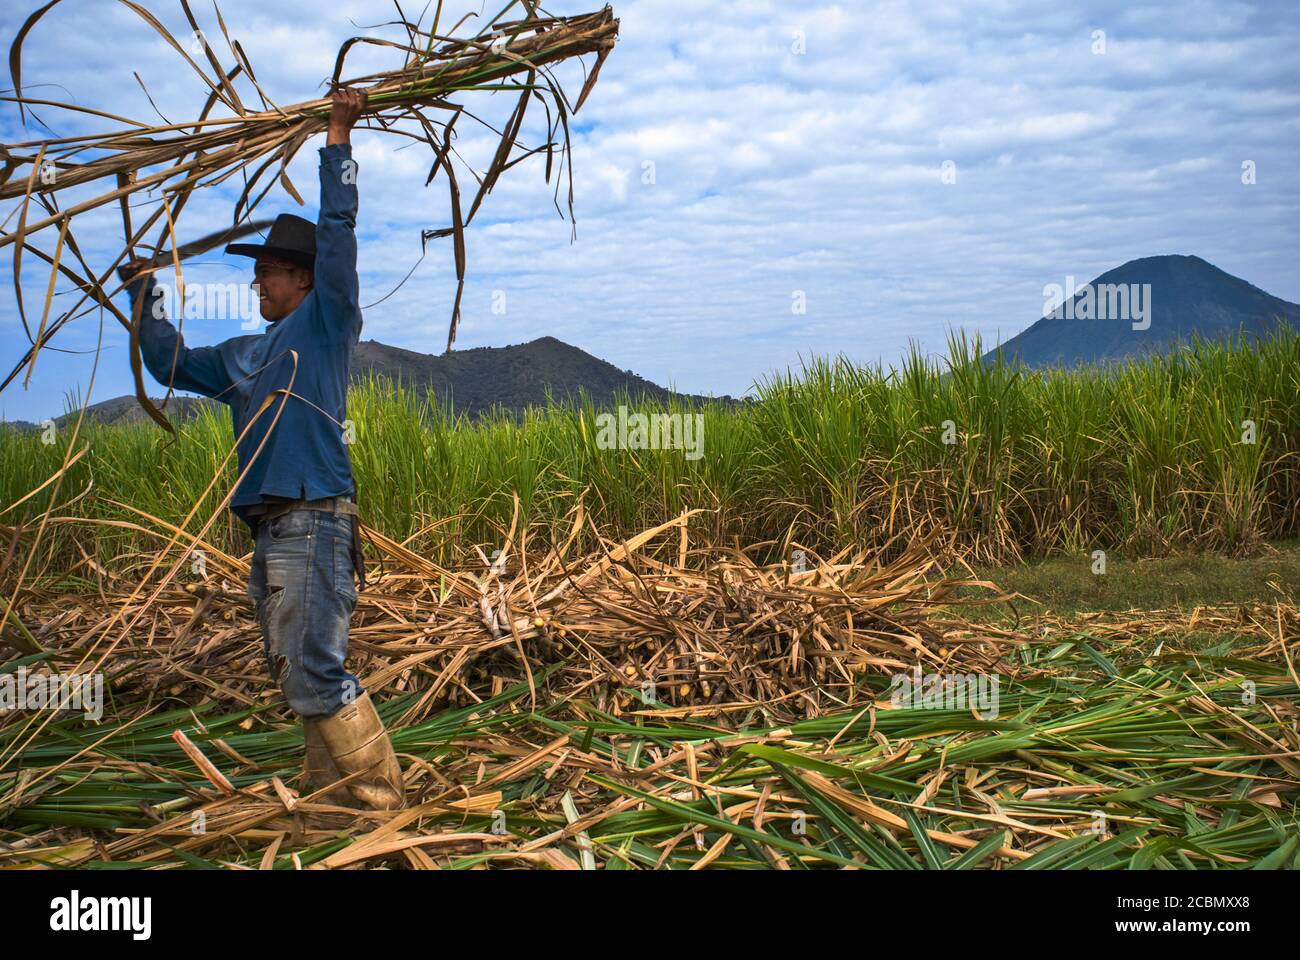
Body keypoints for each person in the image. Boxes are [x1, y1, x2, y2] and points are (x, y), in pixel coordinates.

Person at [118, 88, 404, 811]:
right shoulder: (247, 354)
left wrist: (338, 136)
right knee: (299, 671)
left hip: (313, 520)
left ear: (303, 280)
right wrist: (146, 290)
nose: (257, 282)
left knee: (318, 669)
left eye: (269, 272)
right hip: (273, 528)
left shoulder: (327, 323)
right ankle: (333, 806)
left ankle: (380, 807)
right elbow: (170, 362)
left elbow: (338, 233)